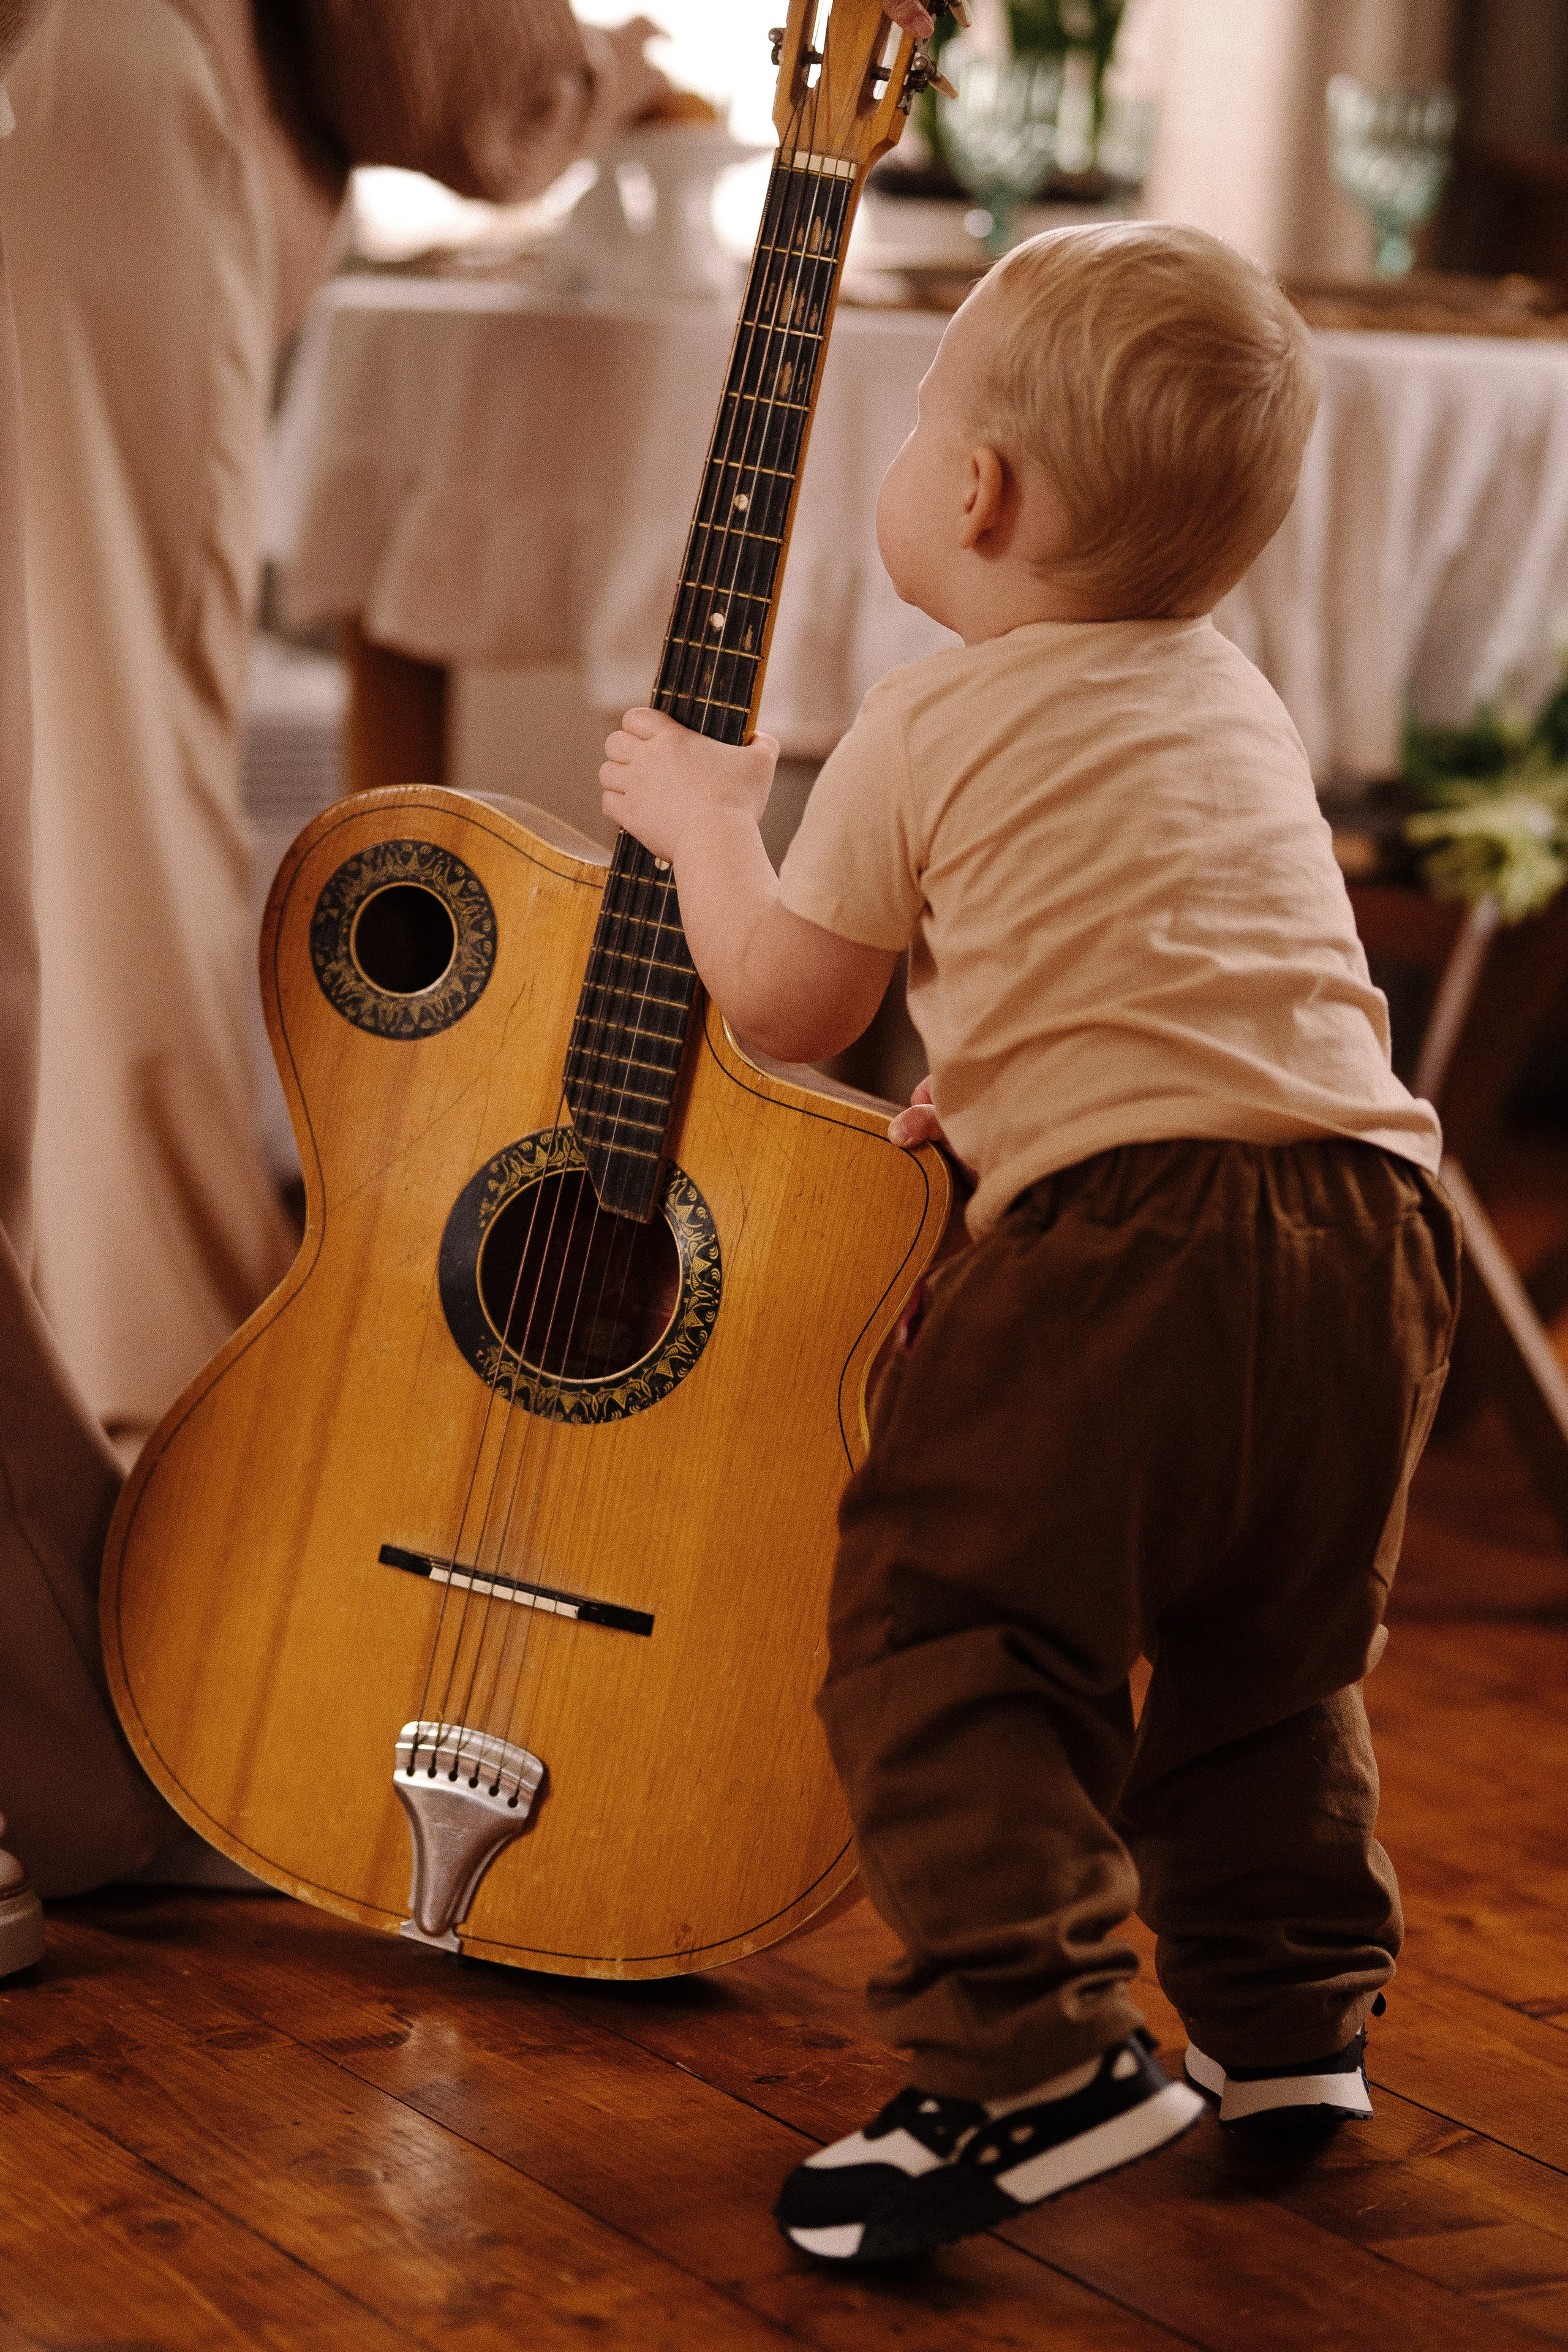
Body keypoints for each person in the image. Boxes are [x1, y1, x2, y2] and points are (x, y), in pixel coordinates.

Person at [600, 221, 1457, 2265]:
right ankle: (1291, 2022)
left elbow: (793, 1013)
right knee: (1269, 1647)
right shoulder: (1238, 701)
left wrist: (713, 818)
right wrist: (1001, 1095)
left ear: (975, 496)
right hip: (1366, 1227)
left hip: (1119, 1256)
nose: (912, 457)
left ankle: (1034, 2053)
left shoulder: (921, 717)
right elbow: (1154, 963)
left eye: (920, 422)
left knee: (949, 1633)